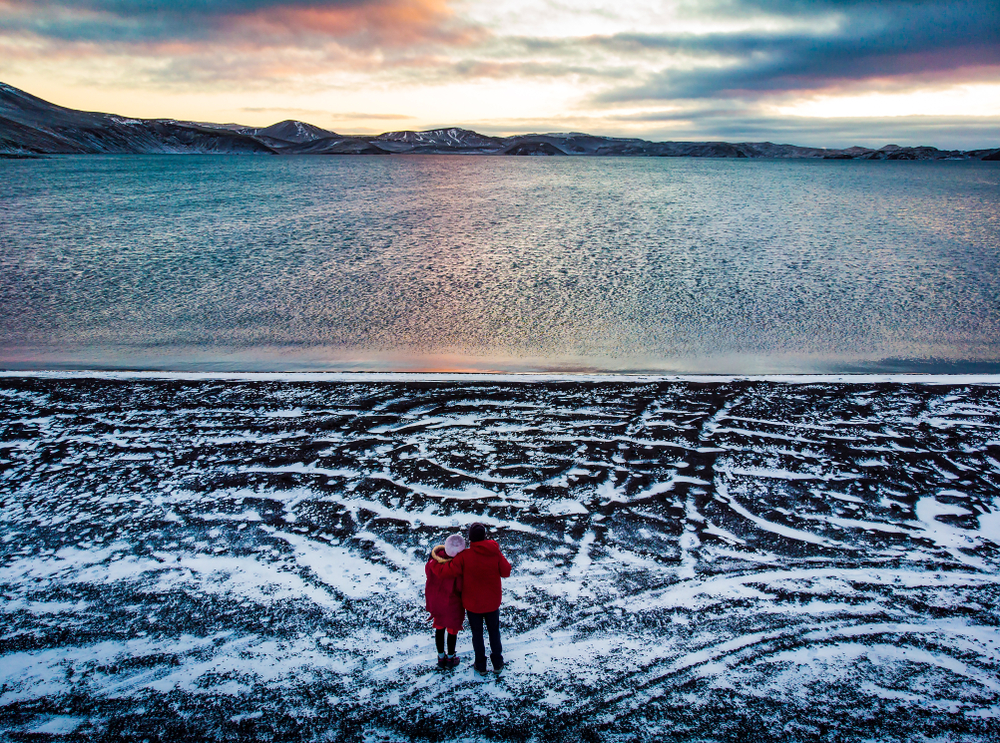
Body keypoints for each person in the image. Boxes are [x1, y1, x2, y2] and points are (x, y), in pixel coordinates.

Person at [435, 522, 511, 676]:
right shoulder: (494, 551)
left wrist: (434, 562)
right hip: (492, 602)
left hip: (473, 604)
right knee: (494, 632)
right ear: (484, 536)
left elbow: (446, 572)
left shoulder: (464, 556)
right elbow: (506, 571)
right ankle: (497, 663)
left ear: (470, 539)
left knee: (477, 634)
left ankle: (481, 665)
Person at [425, 533, 467, 669]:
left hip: (437, 602)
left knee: (439, 628)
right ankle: (450, 658)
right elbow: (460, 587)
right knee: (452, 631)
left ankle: (440, 657)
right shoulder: (457, 567)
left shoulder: (433, 561)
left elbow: (428, 574)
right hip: (453, 605)